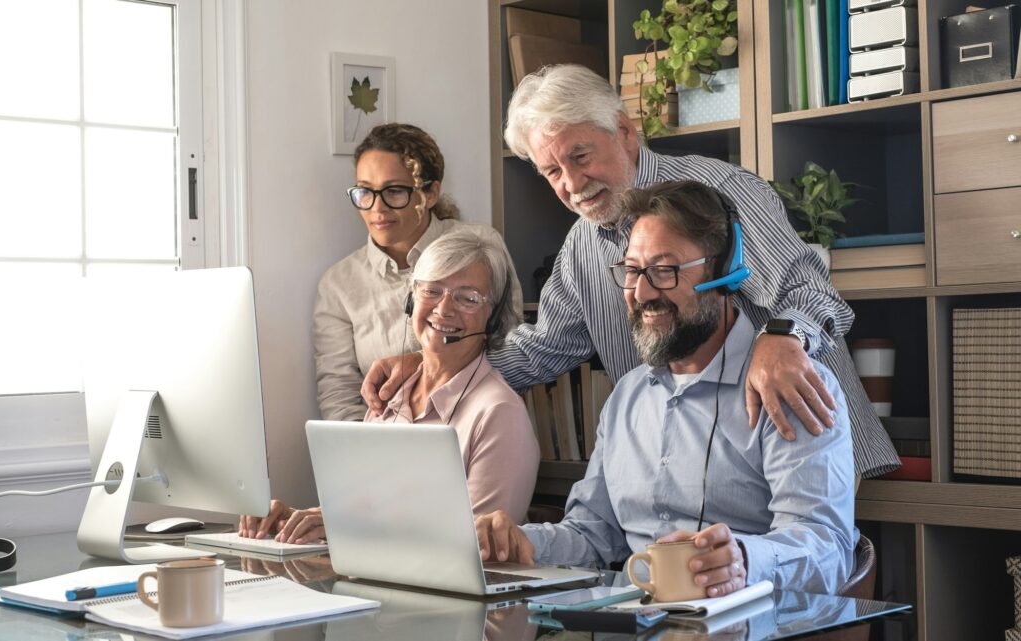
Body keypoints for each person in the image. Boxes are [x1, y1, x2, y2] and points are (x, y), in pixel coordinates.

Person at [363, 64, 897, 479]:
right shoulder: (579, 249)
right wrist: (432, 366)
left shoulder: (722, 193)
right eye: (552, 170)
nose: (572, 183)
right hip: (696, 468)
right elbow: (540, 351)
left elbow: (813, 292)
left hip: (802, 441)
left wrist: (782, 338)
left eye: (580, 155)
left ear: (624, 132)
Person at [474, 181, 857, 596]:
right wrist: (523, 542)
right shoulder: (627, 395)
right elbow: (594, 535)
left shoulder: (790, 385)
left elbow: (827, 546)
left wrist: (743, 560)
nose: (640, 293)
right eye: (633, 271)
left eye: (663, 270)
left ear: (724, 273)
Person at [240, 230, 540, 542]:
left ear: (493, 318)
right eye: (432, 291)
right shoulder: (391, 397)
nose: (443, 309)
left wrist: (344, 526)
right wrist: (298, 521)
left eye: (468, 298)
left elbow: (476, 549)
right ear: (412, 299)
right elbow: (362, 509)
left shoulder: (499, 414)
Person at [314, 122, 521, 422]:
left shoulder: (480, 248)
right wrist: (363, 458)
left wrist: (421, 363)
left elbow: (512, 348)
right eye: (365, 192)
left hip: (476, 426)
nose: (377, 209)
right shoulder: (339, 285)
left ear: (431, 193)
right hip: (383, 450)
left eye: (394, 192)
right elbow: (339, 399)